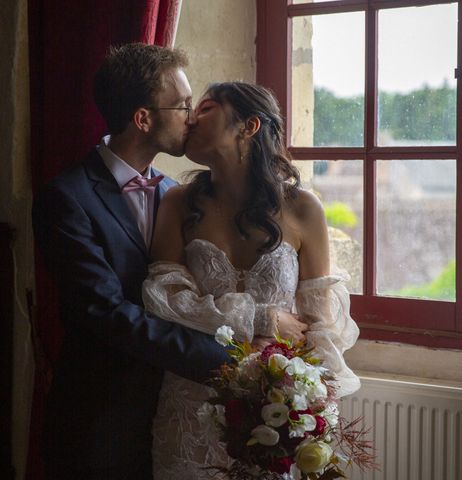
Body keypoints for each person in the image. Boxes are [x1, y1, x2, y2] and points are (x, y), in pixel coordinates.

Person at [31, 43, 235, 479]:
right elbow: (103, 312)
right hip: (99, 421)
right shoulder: (66, 198)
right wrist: (216, 359)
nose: (192, 117)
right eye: (182, 106)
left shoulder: (173, 194)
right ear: (143, 118)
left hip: (169, 417)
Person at [142, 82, 361, 478]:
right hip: (192, 402)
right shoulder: (177, 202)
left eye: (206, 108)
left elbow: (320, 329)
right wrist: (262, 319)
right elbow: (166, 300)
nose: (191, 118)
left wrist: (313, 419)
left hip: (275, 410)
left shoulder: (303, 208)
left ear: (249, 126)